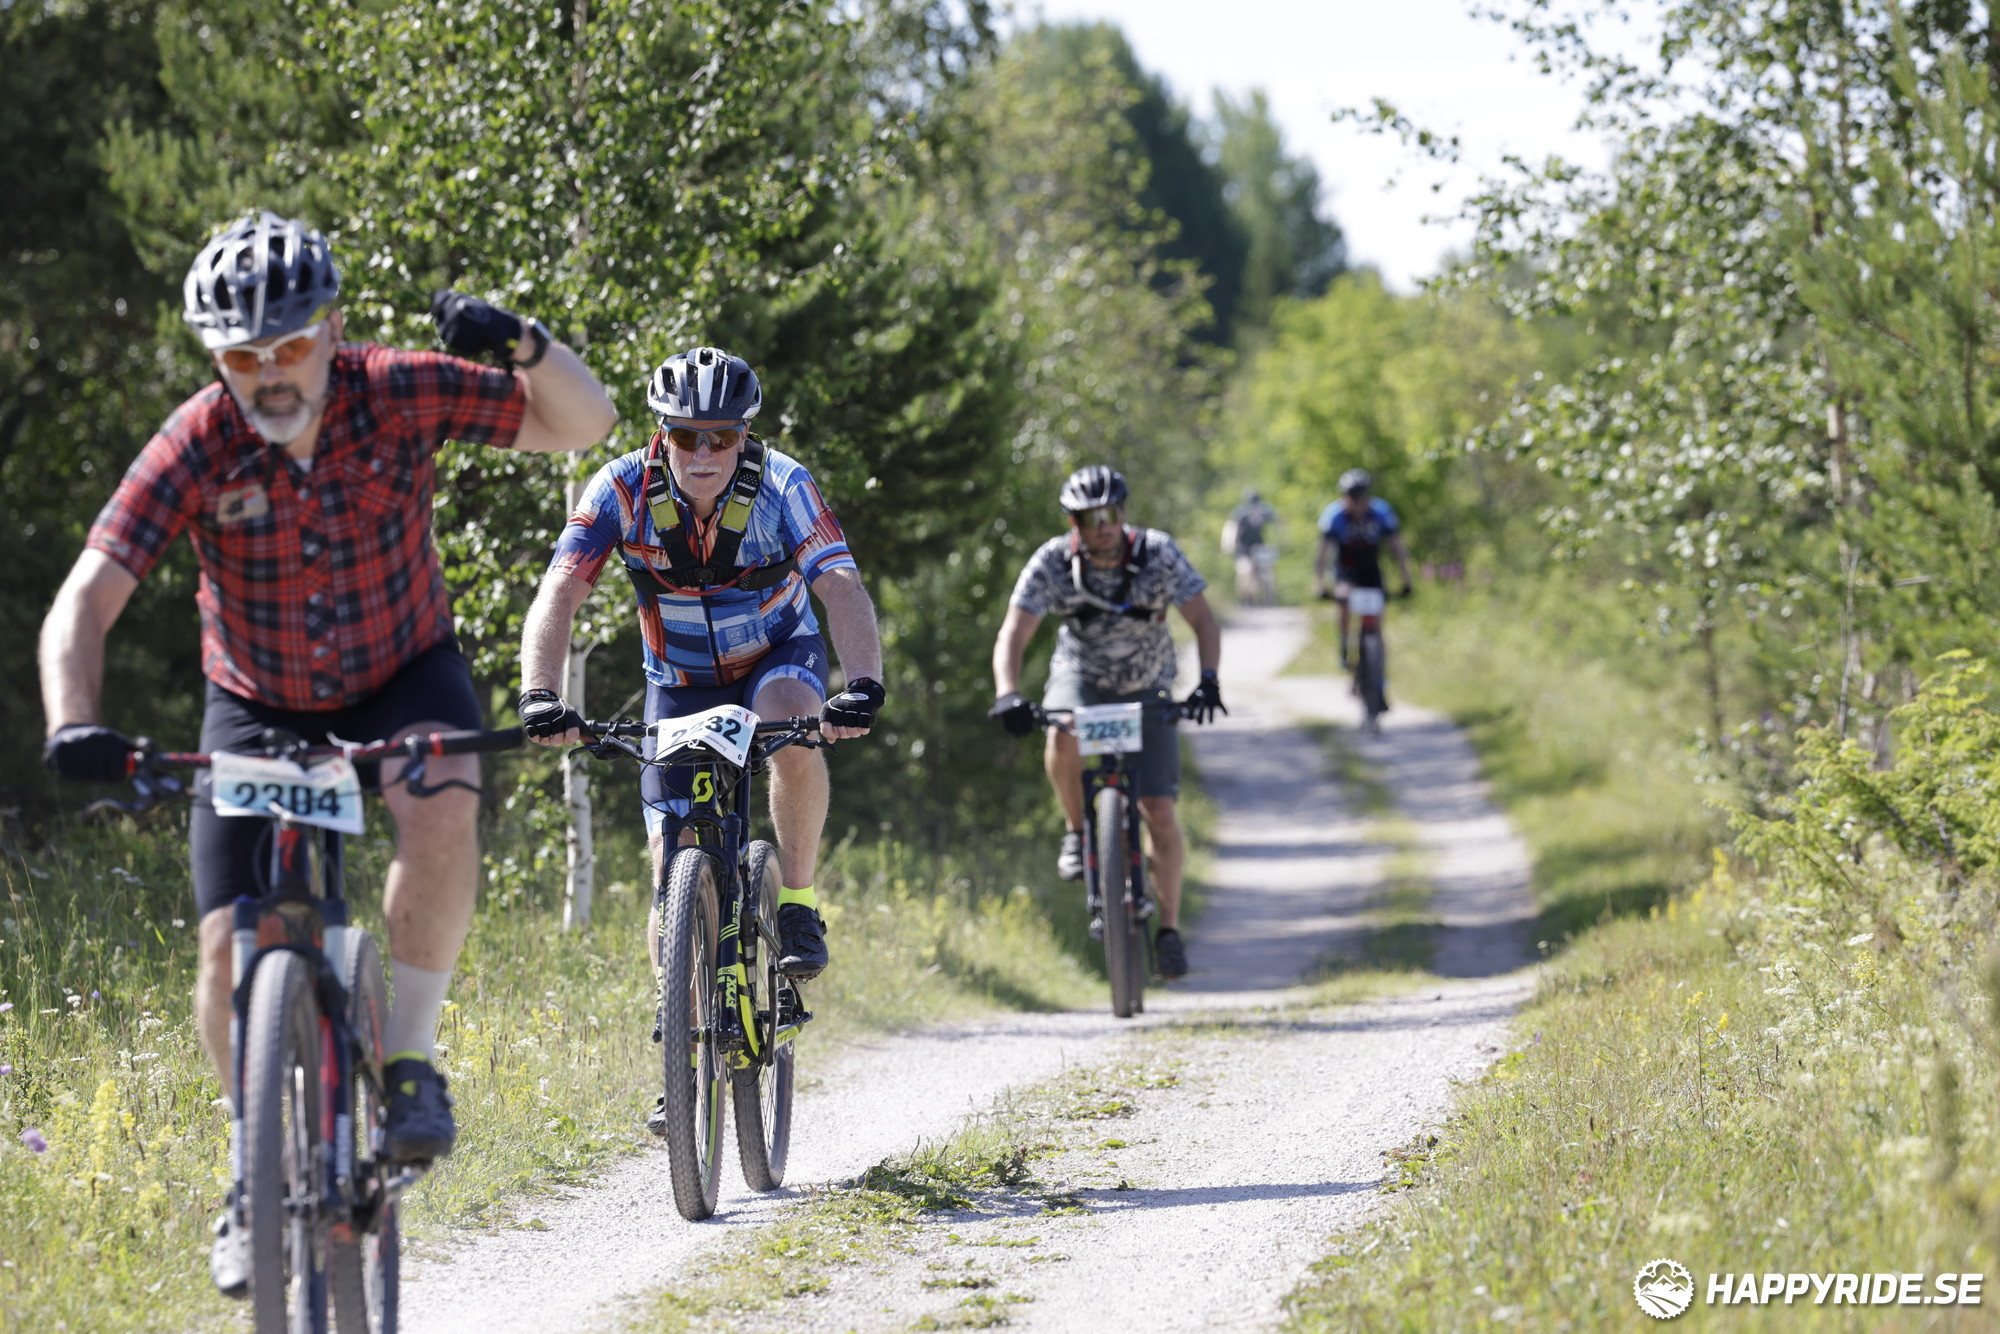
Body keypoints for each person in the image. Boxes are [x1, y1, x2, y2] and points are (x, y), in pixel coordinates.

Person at [36, 210, 619, 1296]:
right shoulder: (197, 439)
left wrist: (523, 343)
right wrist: (74, 721)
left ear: (333, 329)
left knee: (441, 802)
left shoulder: (395, 391)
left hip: (404, 673)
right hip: (256, 705)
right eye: (243, 356)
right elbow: (86, 598)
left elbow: (583, 424)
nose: (270, 373)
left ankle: (407, 1059)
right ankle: (250, 1169)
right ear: (218, 361)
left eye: (291, 344)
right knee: (226, 948)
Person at [518, 346, 884, 996]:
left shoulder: (784, 485)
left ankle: (797, 903)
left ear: (745, 435)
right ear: (663, 434)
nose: (705, 453)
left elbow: (841, 586)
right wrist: (539, 694)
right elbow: (560, 592)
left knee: (793, 730)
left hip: (777, 655)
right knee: (669, 866)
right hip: (679, 681)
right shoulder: (620, 488)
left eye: (722, 436)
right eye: (688, 436)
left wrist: (863, 685)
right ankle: (680, 1040)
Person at [988, 465, 1223, 982]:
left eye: (1111, 514)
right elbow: (1014, 634)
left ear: (1123, 515)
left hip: (1148, 683)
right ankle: (1077, 832)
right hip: (1082, 677)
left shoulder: (1158, 553)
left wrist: (1208, 680)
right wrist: (1008, 693)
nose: (1103, 527)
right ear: (1074, 523)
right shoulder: (1052, 562)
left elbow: (1204, 619)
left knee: (1160, 811)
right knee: (1062, 727)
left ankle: (1169, 930)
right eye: (1090, 518)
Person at [1315, 467, 1415, 677]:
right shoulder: (1334, 515)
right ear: (1344, 496)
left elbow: (1397, 549)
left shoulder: (1381, 512)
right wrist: (1320, 584)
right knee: (1343, 599)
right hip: (1346, 570)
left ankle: (1379, 680)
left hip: (1371, 570)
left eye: (1361, 496)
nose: (1357, 502)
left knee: (1377, 627)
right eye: (1352, 496)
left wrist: (1407, 580)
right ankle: (1344, 645)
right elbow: (1322, 554)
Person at [1221, 488, 1278, 605]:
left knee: (1265, 573)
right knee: (1245, 572)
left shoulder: (1264, 510)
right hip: (1244, 548)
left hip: (1258, 546)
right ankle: (1246, 599)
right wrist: (1230, 545)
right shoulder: (1242, 512)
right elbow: (1232, 528)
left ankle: (1266, 599)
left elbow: (1277, 522)